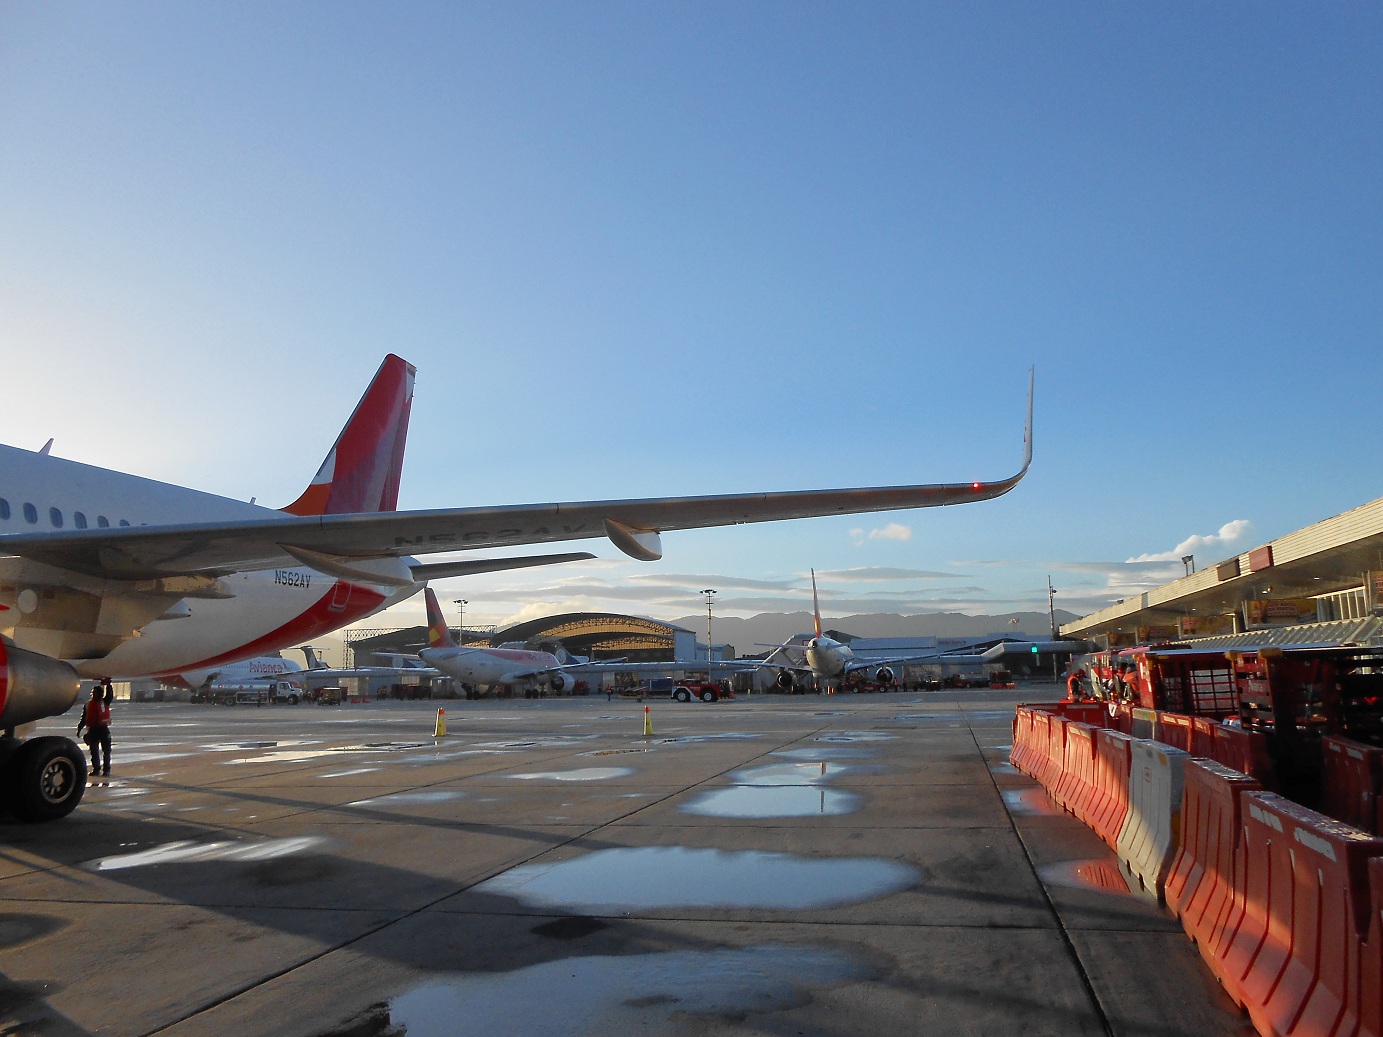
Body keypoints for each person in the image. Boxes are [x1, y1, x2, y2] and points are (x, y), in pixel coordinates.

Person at [76, 681, 112, 776]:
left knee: (106, 751)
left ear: (100, 694)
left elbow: (110, 695)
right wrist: (79, 728)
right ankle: (96, 769)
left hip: (103, 729)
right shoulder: (88, 704)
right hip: (93, 730)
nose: (93, 694)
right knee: (94, 751)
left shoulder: (105, 701)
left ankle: (106, 770)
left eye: (95, 692)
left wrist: (108, 685)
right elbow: (84, 717)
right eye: (93, 692)